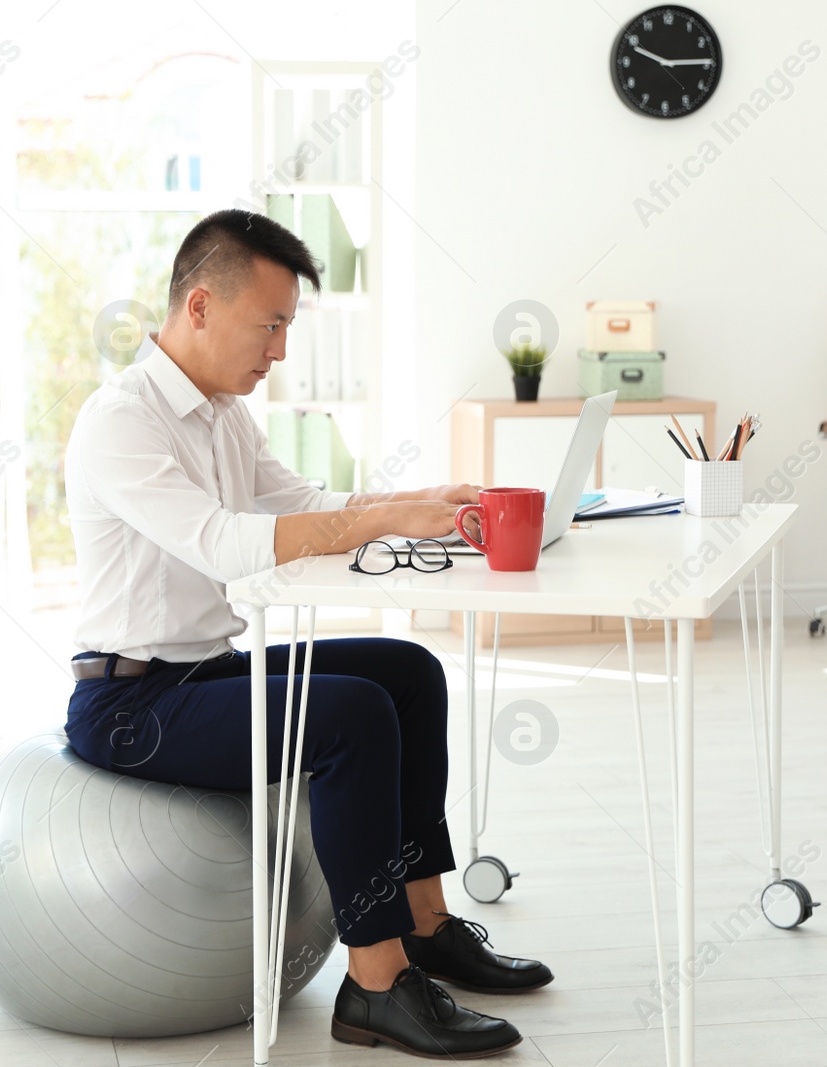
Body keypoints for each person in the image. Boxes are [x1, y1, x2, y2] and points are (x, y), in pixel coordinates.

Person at [64, 209, 551, 1059]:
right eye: (272, 324)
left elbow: (301, 503)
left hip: (204, 671)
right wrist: (387, 517)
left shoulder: (220, 413)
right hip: (130, 703)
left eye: (287, 326)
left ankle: (428, 925)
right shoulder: (123, 420)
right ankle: (374, 985)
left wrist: (427, 503)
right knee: (350, 716)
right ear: (203, 306)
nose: (281, 349)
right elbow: (224, 540)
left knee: (407, 672)